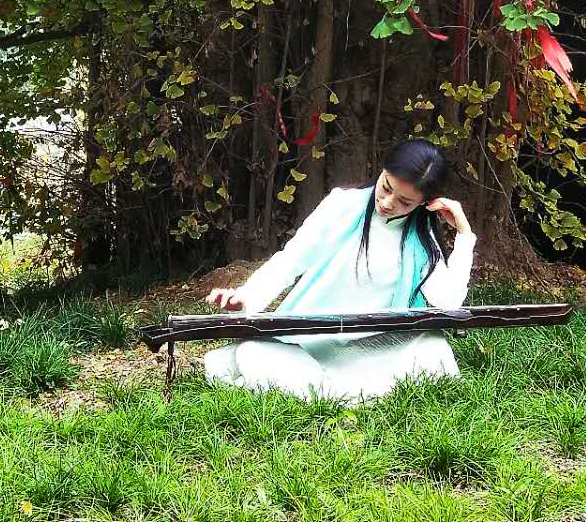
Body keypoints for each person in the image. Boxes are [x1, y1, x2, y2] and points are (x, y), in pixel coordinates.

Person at [203, 139, 477, 403]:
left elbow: (448, 301)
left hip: (372, 348)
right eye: (386, 187)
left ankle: (324, 391)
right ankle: (348, 393)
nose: (387, 203)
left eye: (405, 202)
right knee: (253, 353)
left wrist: (464, 236)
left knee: (433, 350)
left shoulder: (421, 237)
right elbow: (291, 260)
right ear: (382, 170)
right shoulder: (342, 205)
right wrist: (246, 297)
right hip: (312, 342)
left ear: (424, 203)